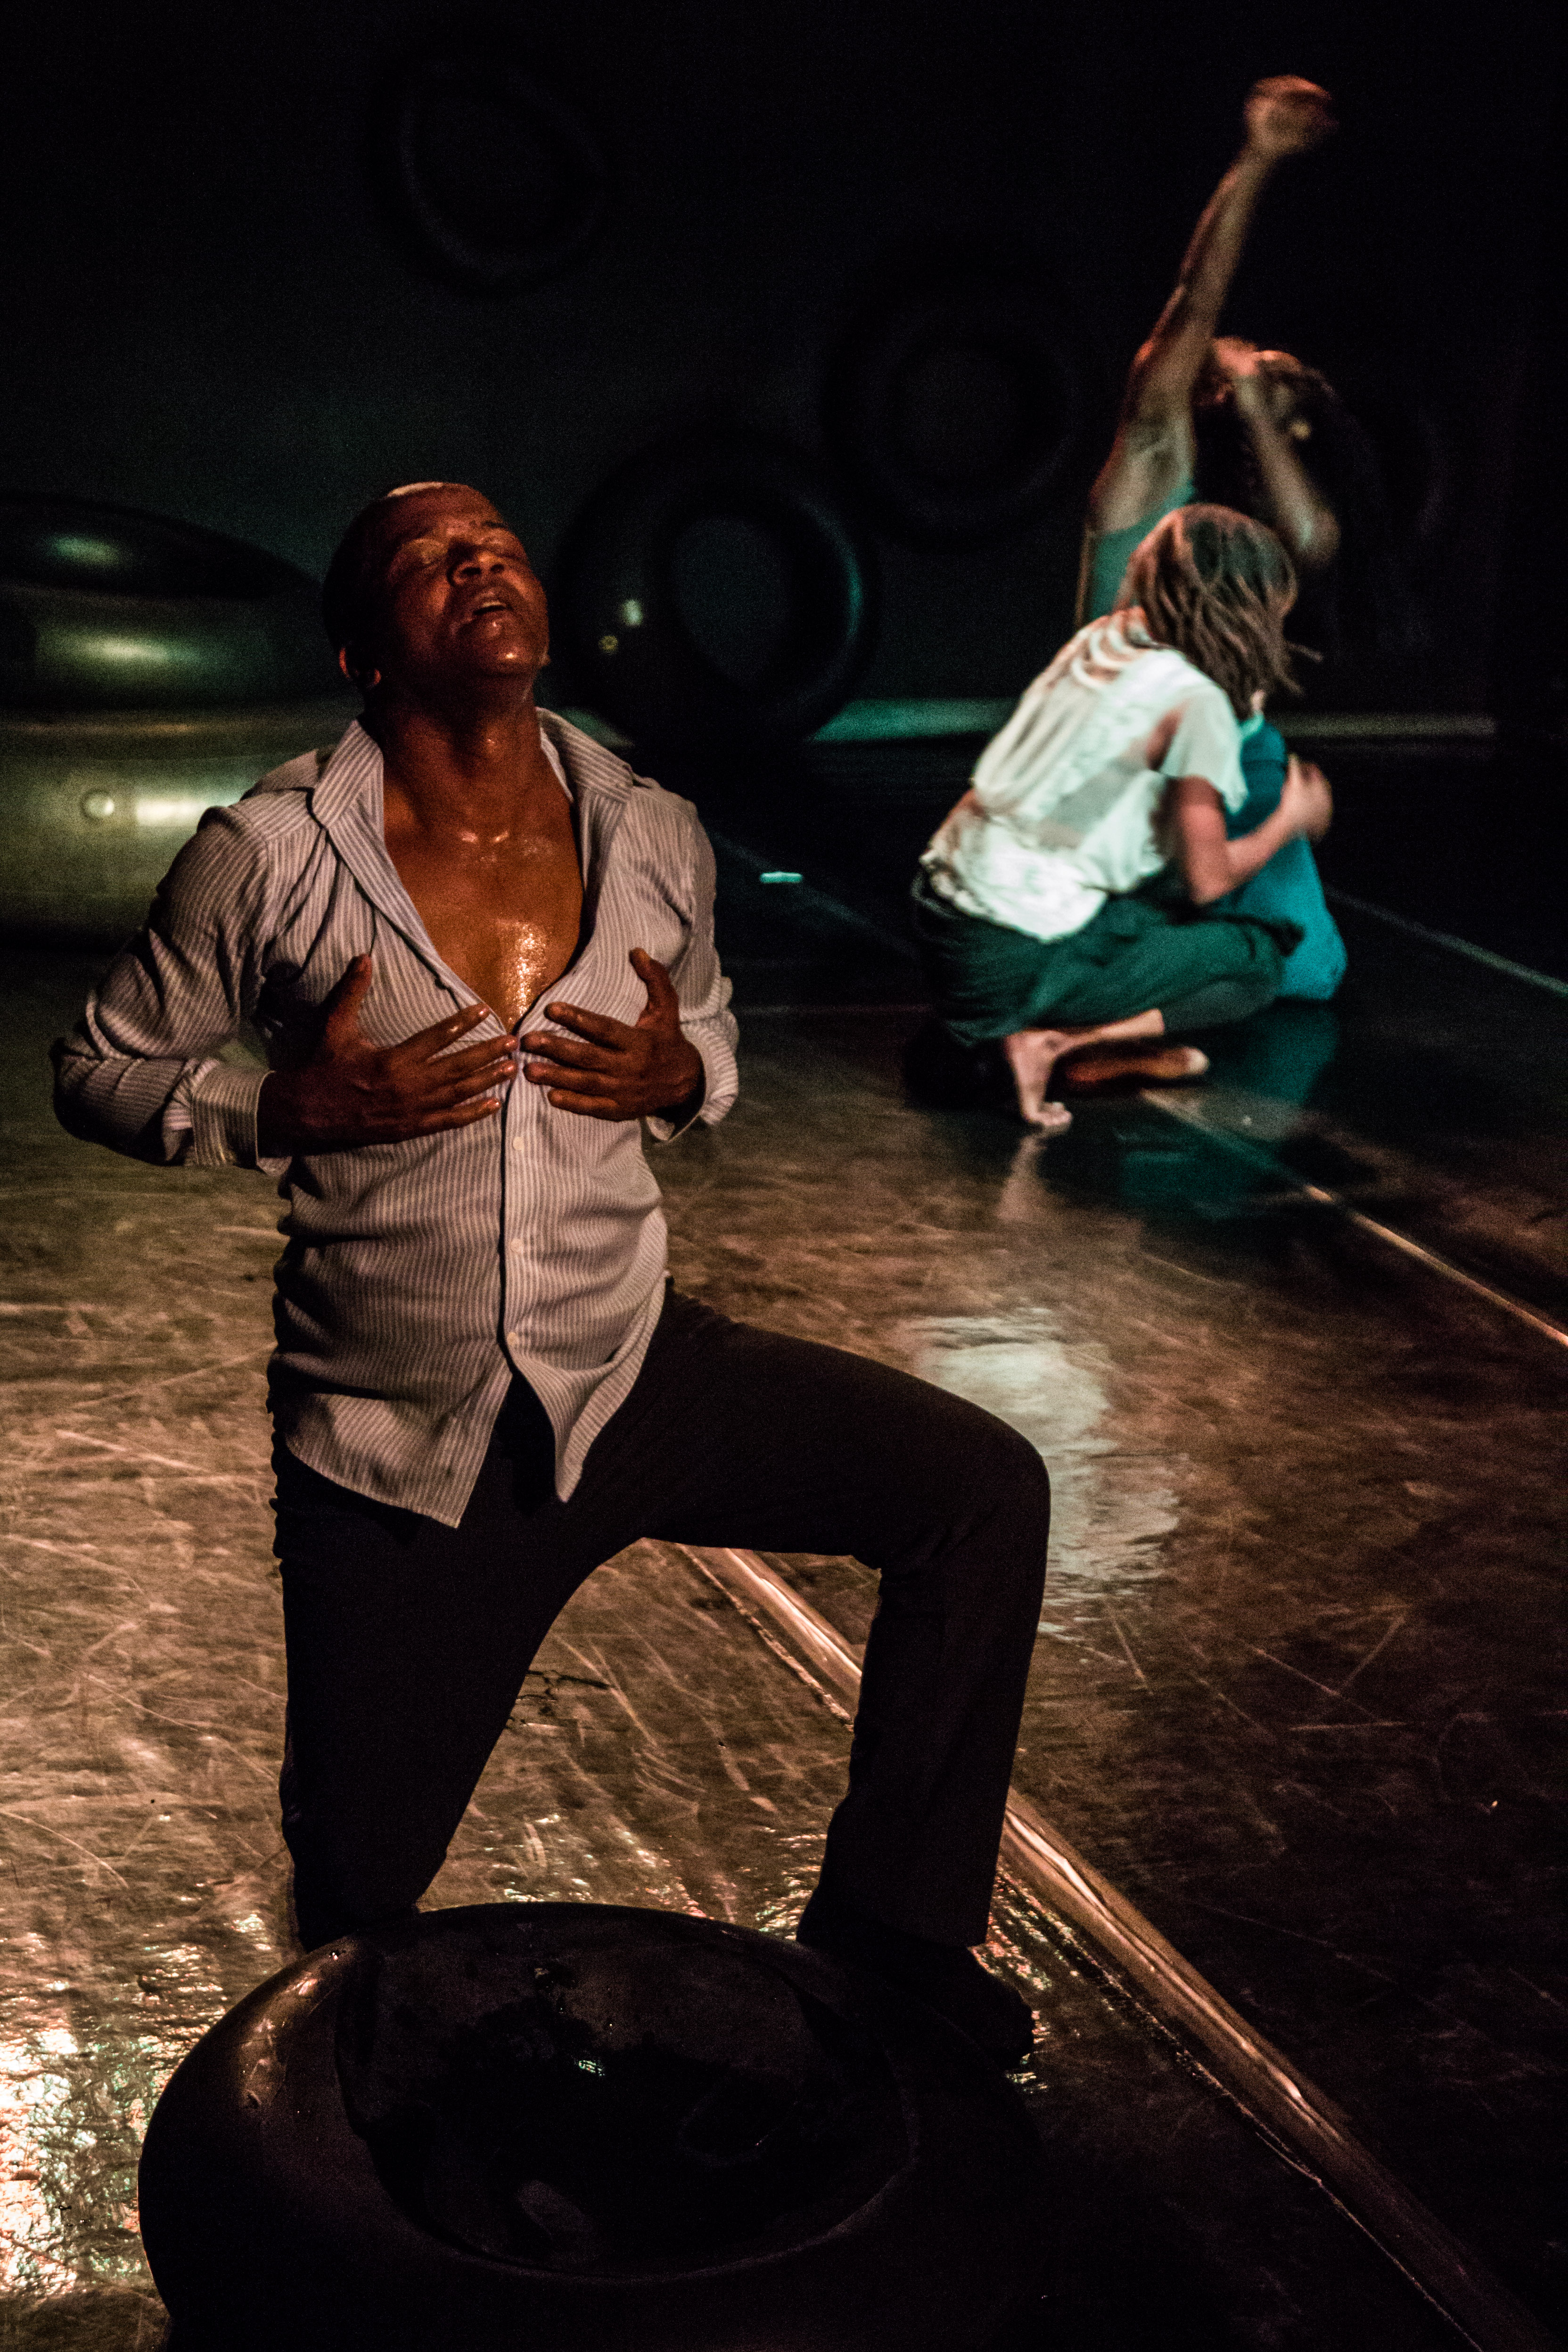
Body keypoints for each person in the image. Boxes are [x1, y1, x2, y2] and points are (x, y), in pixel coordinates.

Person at [52, 480, 1051, 2064]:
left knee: (979, 1489)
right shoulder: (270, 853)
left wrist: (682, 1071)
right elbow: (100, 1069)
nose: (478, 567)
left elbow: (705, 1026)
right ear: (362, 653)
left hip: (635, 1373)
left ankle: (895, 1930)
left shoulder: (652, 828)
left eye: (497, 547)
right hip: (404, 1440)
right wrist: (284, 1107)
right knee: (360, 1906)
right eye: (427, 561)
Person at [1078, 73, 1387, 1006]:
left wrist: (1256, 400)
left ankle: (1155, 972)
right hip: (1124, 759)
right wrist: (1255, 160)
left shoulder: (1278, 524)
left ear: (1297, 421)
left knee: (1309, 970)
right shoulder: (1154, 472)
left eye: (1273, 369)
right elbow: (1193, 301)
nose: (1244, 355)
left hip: (1232, 760)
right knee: (1178, 952)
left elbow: (1312, 538)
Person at [908, 504, 1333, 1130]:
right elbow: (1210, 879)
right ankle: (1059, 1043)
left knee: (1159, 885)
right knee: (1261, 955)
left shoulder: (1104, 638)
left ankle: (1043, 1034)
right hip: (1007, 954)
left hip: (940, 912)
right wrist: (1291, 819)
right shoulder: (1194, 706)